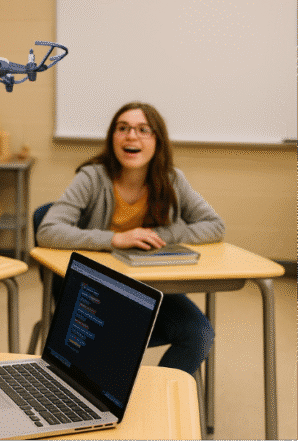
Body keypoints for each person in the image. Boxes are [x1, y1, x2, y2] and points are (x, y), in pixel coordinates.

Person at [36, 101, 224, 376]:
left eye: (143, 130)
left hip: (151, 289)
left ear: (158, 140)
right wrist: (115, 239)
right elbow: (48, 230)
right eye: (122, 128)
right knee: (110, 345)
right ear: (112, 137)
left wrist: (160, 235)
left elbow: (215, 225)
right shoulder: (92, 177)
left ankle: (161, 398)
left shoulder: (172, 179)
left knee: (199, 333)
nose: (131, 136)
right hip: (97, 293)